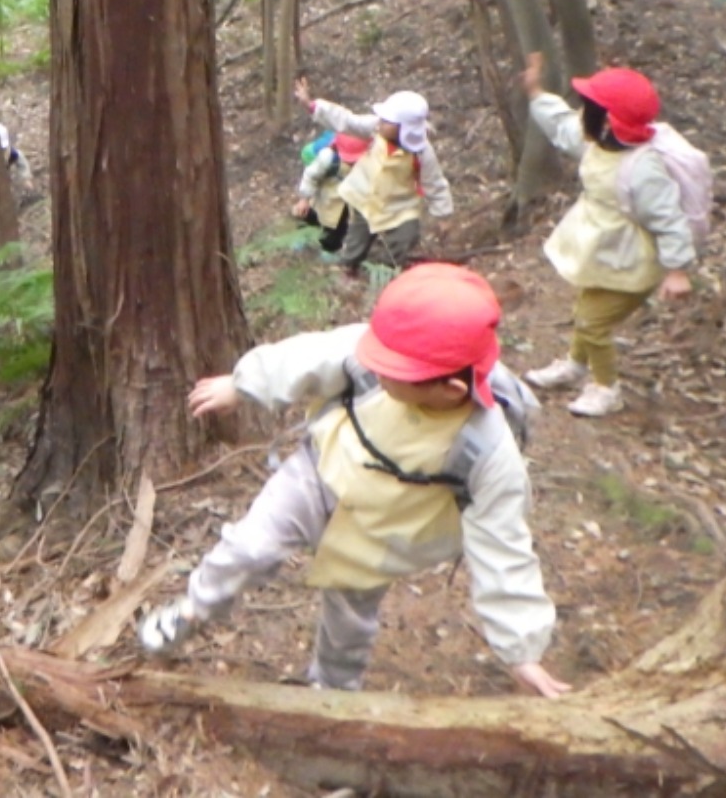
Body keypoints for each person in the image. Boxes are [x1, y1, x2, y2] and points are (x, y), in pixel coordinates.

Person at [137, 264, 566, 699]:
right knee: (249, 547)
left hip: (382, 532)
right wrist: (243, 384)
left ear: (451, 390)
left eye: (392, 371)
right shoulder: (376, 349)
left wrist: (521, 649)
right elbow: (306, 356)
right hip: (319, 473)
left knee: (349, 623)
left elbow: (503, 545)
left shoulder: (487, 451)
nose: (375, 367)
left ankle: (334, 692)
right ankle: (195, 608)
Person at [519, 53, 697, 419]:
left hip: (630, 260)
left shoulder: (643, 169)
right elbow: (562, 126)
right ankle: (575, 364)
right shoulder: (596, 142)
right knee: (586, 308)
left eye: (589, 108)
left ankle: (606, 387)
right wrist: (537, 93)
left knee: (593, 322)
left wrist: (677, 270)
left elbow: (669, 219)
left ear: (609, 121)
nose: (581, 114)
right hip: (601, 247)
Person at [294, 77, 453, 280]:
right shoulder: (375, 129)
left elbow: (434, 183)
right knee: (357, 238)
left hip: (400, 205)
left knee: (406, 237)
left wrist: (443, 215)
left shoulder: (421, 152)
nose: (381, 122)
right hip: (366, 197)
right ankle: (348, 267)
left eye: (387, 121)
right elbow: (347, 121)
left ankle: (394, 270)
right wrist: (313, 106)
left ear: (403, 128)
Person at [294, 132, 372, 257]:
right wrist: (304, 199)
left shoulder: (368, 160)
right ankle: (302, 237)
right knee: (311, 216)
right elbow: (310, 177)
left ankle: (329, 249)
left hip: (343, 201)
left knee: (337, 227)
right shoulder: (328, 157)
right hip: (324, 193)